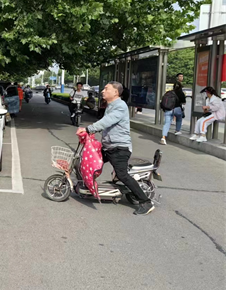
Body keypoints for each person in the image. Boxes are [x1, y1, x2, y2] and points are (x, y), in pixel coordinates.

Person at [77, 81, 155, 216]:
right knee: (89, 161)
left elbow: (107, 121)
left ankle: (146, 202)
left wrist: (89, 129)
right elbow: (107, 124)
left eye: (106, 89)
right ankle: (87, 186)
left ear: (115, 92)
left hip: (119, 148)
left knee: (122, 174)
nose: (103, 91)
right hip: (110, 146)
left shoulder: (120, 106)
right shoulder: (111, 105)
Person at [160, 73, 186, 145]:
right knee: (179, 117)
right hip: (176, 109)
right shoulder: (181, 93)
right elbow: (184, 102)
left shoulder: (169, 92)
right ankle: (177, 130)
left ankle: (163, 137)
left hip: (168, 109)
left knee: (167, 123)